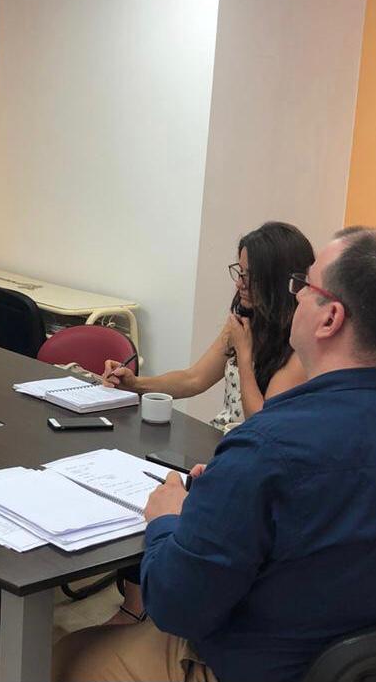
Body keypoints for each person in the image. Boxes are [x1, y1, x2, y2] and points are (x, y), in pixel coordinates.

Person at [53, 227, 376, 682]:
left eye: (305, 286)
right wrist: (225, 497)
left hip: (260, 665)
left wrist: (169, 518)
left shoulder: (268, 448)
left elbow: (175, 606)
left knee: (67, 655)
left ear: (330, 320)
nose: (296, 297)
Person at [101, 221, 314, 625]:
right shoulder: (242, 321)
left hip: (251, 456)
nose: (240, 285)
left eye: (249, 275)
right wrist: (137, 384)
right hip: (218, 445)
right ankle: (136, 598)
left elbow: (266, 425)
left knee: (172, 497)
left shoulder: (297, 347)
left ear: (275, 279)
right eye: (238, 272)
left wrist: (247, 353)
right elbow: (194, 378)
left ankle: (142, 606)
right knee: (145, 477)